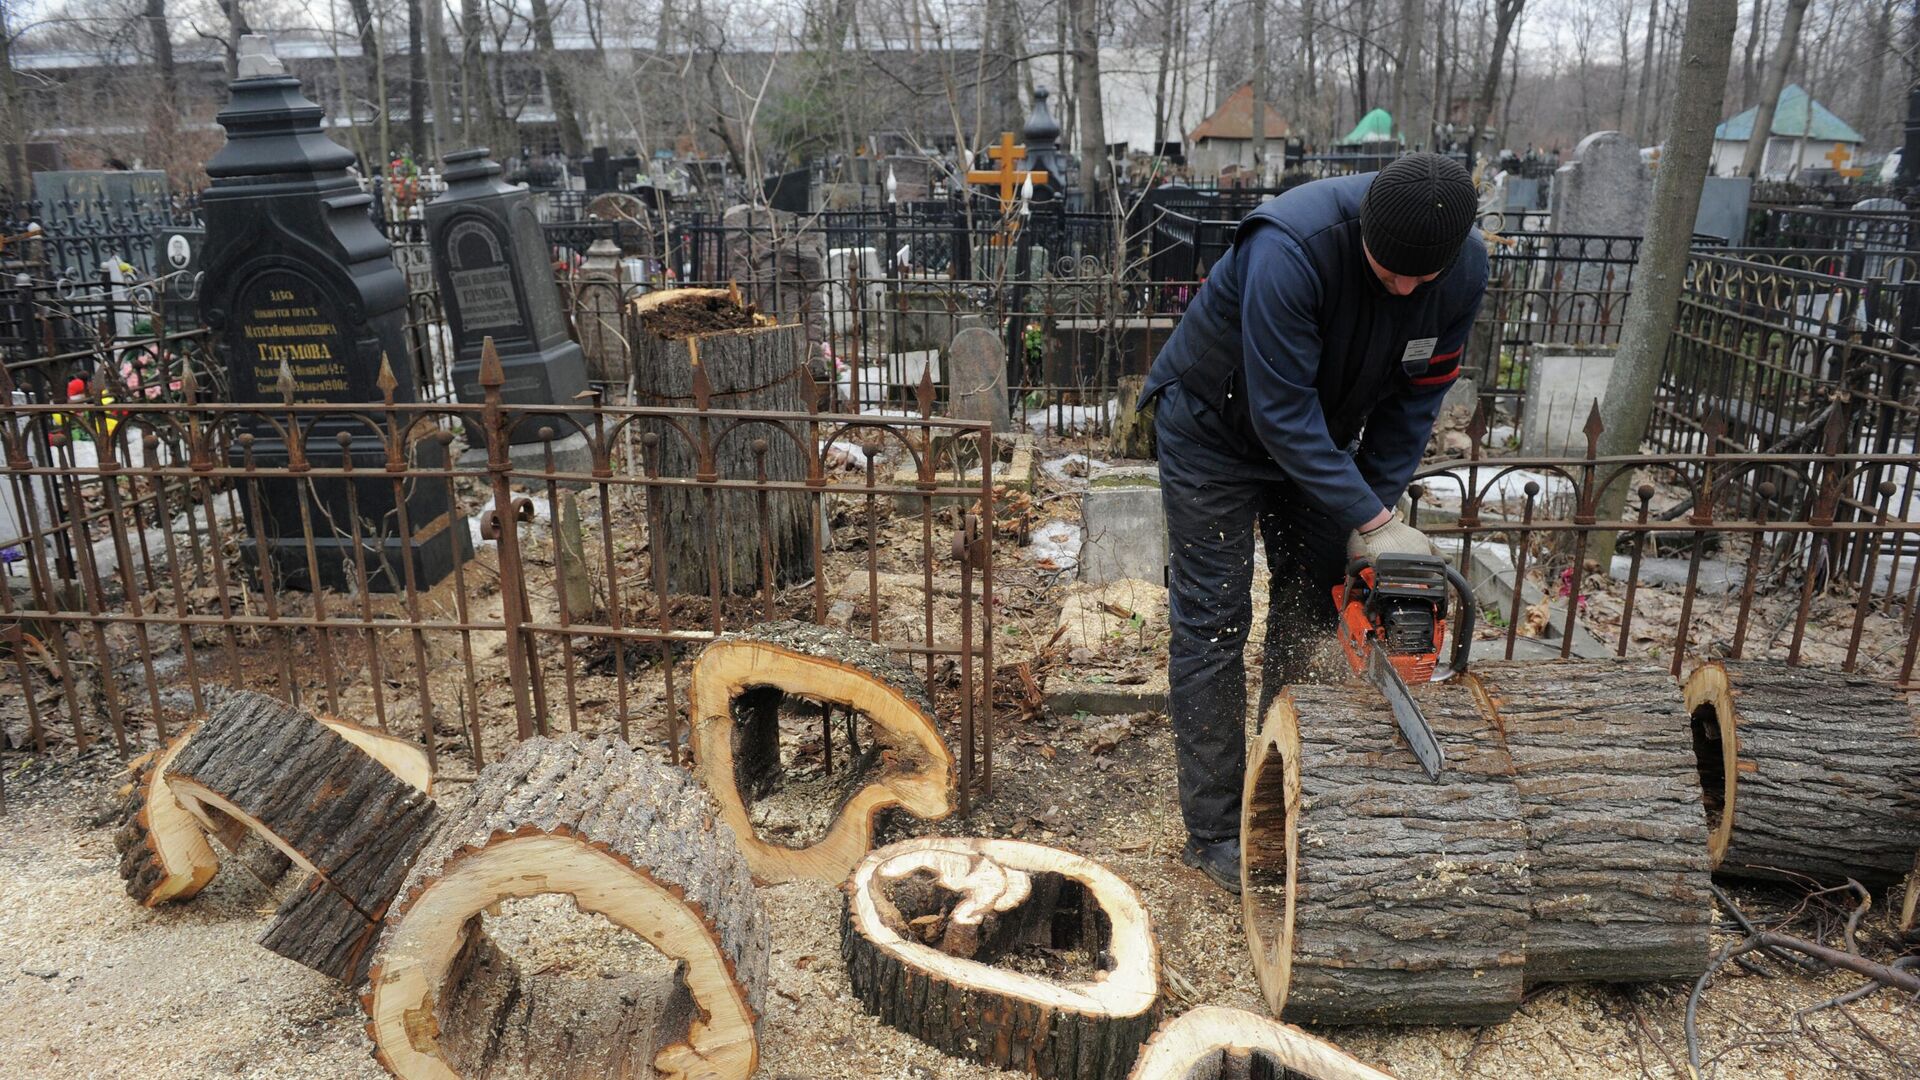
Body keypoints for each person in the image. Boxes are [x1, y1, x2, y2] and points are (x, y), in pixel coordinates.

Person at [1140, 153, 1488, 893]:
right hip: (1216, 427)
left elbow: (1414, 402)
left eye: (1420, 280)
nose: (1404, 289)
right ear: (1364, 229)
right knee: (1213, 620)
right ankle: (1213, 830)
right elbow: (1280, 412)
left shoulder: (1461, 272)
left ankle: (1282, 783)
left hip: (1326, 441)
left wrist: (1377, 515)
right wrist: (1366, 507)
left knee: (1305, 612)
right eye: (1390, 272)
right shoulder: (1289, 249)